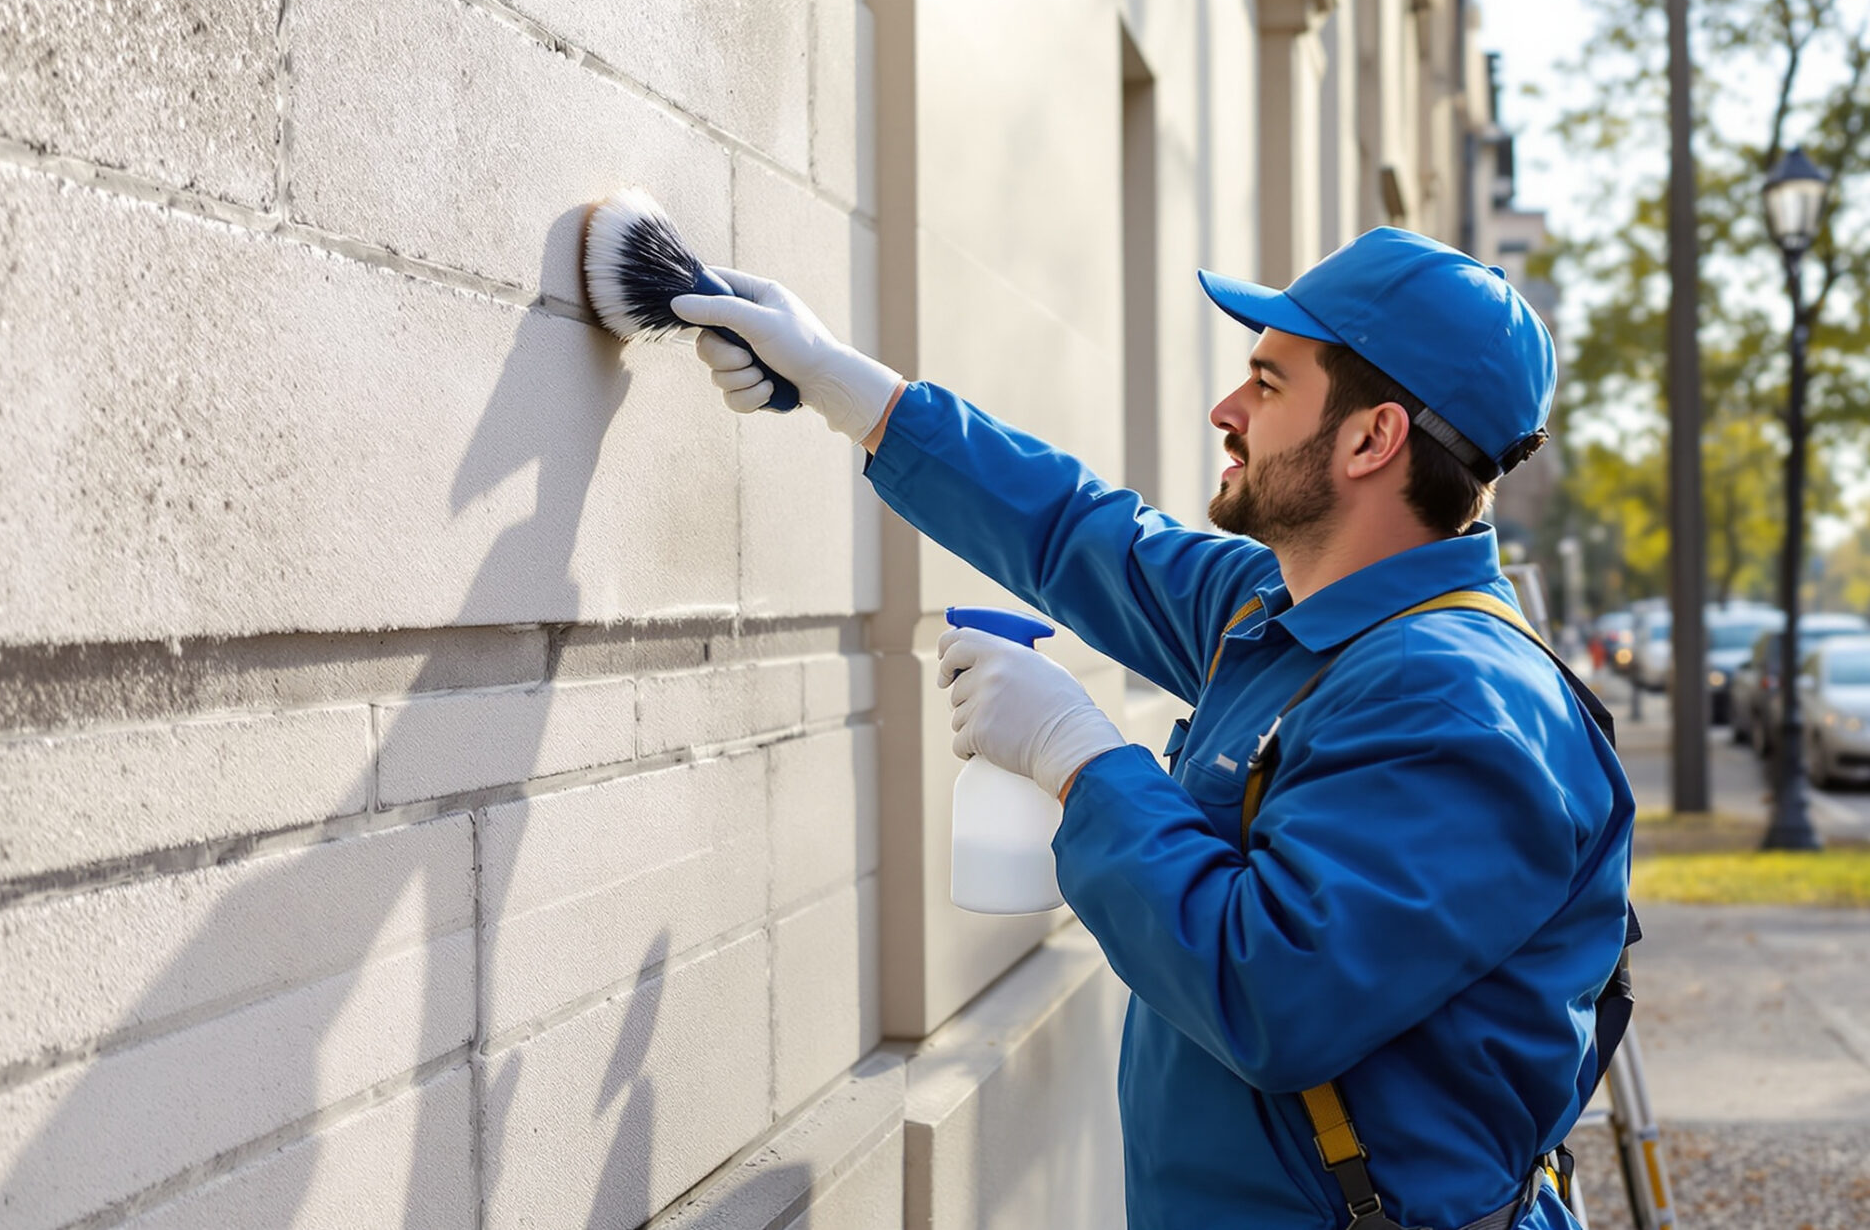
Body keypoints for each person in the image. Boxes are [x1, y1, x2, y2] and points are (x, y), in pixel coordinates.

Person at [670, 227, 1634, 1230]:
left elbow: (1273, 992)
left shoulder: (1454, 705)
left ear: (1369, 439)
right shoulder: (1295, 613)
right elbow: (1081, 534)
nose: (1226, 411)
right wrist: (845, 387)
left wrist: (1080, 760)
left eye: (1266, 383)